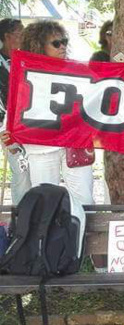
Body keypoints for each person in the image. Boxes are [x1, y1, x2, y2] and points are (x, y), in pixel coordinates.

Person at [1, 20, 94, 205]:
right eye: (56, 43)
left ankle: (84, 234)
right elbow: (16, 106)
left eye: (64, 42)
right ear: (39, 46)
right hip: (40, 149)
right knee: (44, 203)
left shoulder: (77, 71)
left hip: (73, 145)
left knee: (83, 200)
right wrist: (8, 131)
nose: (62, 47)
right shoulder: (23, 74)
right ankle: (43, 234)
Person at [0, 18, 30, 204]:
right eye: (21, 33)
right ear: (8, 37)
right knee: (21, 172)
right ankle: (20, 221)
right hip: (6, 126)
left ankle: (28, 218)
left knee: (27, 171)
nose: (25, 38)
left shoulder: (26, 59)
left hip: (27, 124)